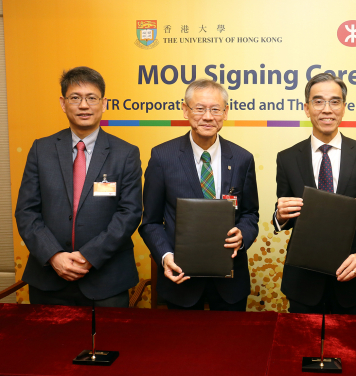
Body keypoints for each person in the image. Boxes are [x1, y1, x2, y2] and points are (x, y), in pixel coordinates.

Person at [14, 66, 142, 307]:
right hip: (48, 280)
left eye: (92, 98)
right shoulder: (41, 150)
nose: (84, 105)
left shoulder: (126, 153)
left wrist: (88, 256)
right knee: (49, 345)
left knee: (108, 344)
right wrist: (54, 255)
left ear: (104, 103)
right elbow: (26, 211)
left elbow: (130, 213)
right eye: (75, 98)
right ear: (63, 103)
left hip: (107, 281)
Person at [274, 73, 356, 314]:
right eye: (318, 101)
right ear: (306, 108)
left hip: (354, 280)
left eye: (335, 101)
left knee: (354, 350)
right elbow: (284, 214)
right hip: (304, 283)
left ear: (344, 108)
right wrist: (280, 215)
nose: (327, 109)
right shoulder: (287, 158)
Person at [139, 79, 259, 311]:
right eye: (199, 108)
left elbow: (250, 214)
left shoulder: (243, 159)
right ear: (185, 110)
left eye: (215, 109)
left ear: (225, 112)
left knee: (231, 346)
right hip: (181, 278)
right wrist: (165, 256)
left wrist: (243, 234)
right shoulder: (163, 157)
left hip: (230, 282)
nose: (208, 116)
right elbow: (151, 222)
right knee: (182, 347)